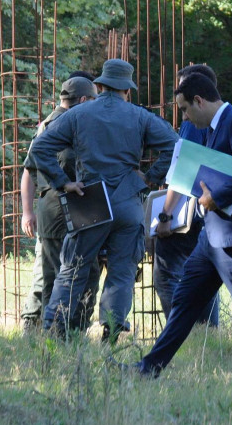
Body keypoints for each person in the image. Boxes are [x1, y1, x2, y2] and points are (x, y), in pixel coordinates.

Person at [135, 73, 232, 376]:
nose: (185, 117)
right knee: (184, 301)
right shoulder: (210, 127)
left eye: (185, 109)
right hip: (212, 237)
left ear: (199, 100)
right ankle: (149, 368)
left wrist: (215, 199)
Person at [29, 58, 179, 341]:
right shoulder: (140, 116)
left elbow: (41, 147)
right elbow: (174, 146)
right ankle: (112, 332)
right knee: (122, 271)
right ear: (128, 90)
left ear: (99, 85)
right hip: (128, 202)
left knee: (73, 268)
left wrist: (64, 182)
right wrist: (148, 178)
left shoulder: (78, 114)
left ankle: (54, 329)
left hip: (90, 199)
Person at [19, 75, 100, 333]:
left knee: (54, 276)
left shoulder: (49, 124)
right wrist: (27, 212)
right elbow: (32, 170)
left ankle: (52, 332)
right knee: (70, 275)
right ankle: (61, 332)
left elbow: (28, 171)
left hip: (54, 210)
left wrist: (28, 212)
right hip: (62, 209)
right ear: (84, 100)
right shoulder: (63, 125)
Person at [151, 64, 221, 328]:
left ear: (197, 96)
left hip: (187, 214)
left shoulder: (194, 122)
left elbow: (184, 173)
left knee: (167, 274)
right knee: (205, 277)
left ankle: (182, 330)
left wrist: (165, 215)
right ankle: (206, 331)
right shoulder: (222, 120)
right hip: (209, 212)